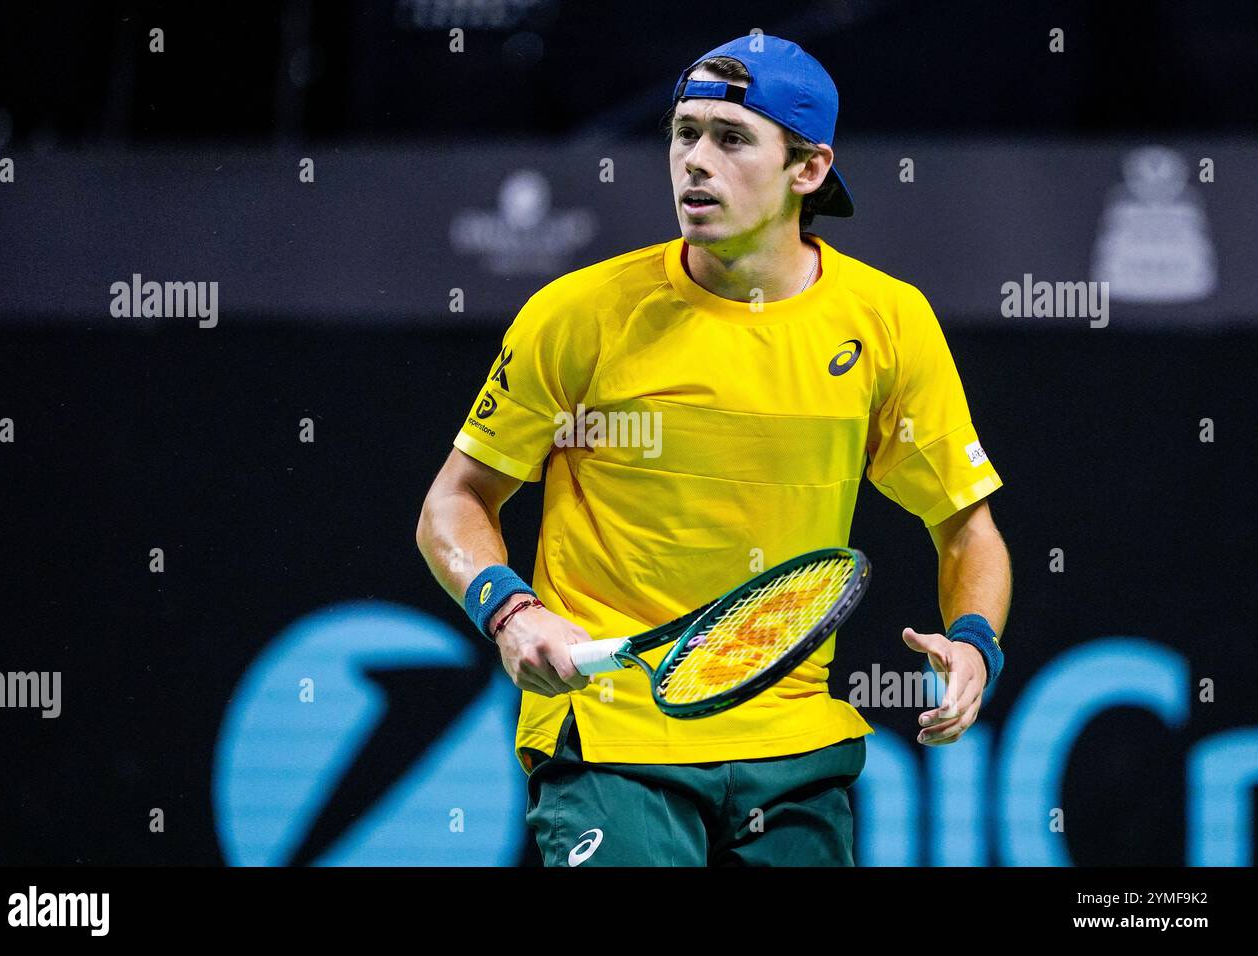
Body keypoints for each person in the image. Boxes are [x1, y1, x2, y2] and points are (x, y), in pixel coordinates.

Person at [417, 34, 1012, 866]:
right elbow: (455, 500)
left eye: (731, 138)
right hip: (613, 741)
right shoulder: (578, 315)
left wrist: (973, 637)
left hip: (795, 749)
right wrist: (510, 610)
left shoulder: (889, 323)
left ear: (807, 169)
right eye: (683, 132)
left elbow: (966, 528)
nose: (695, 161)